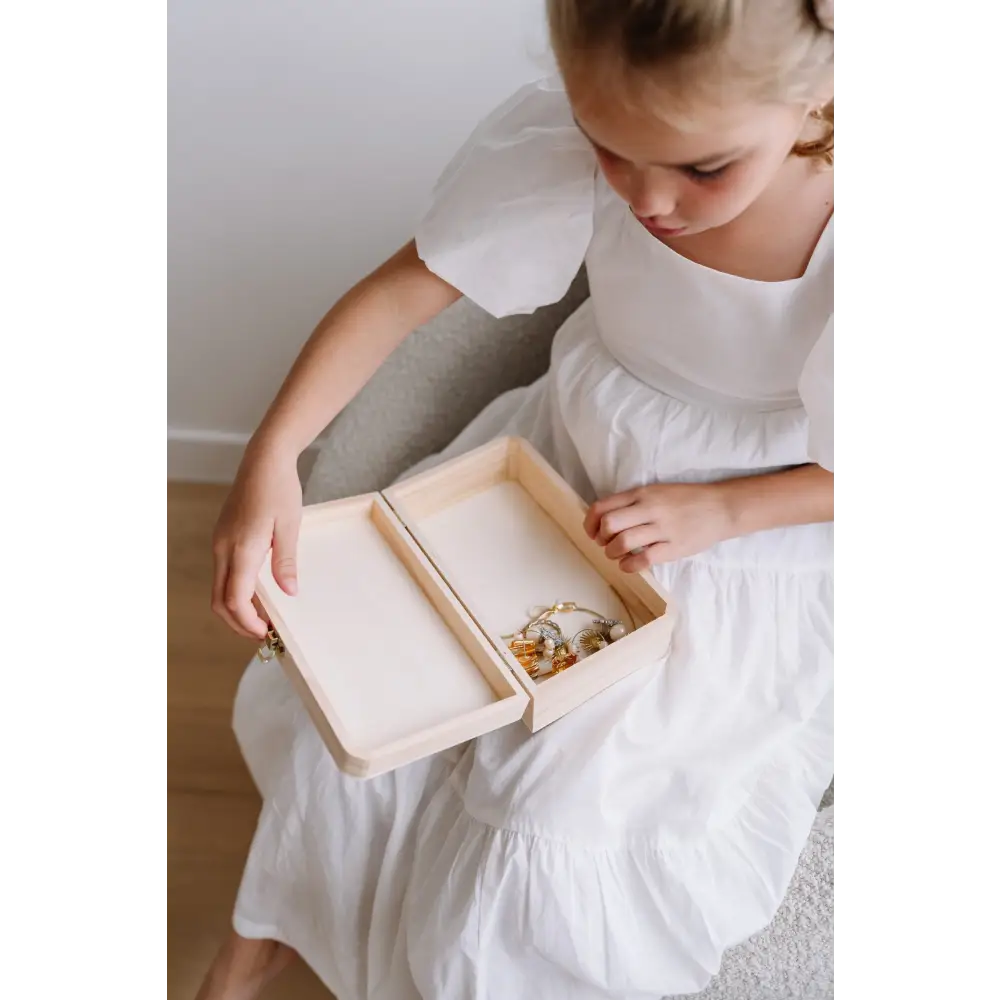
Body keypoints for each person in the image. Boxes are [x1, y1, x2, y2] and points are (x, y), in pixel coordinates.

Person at [197, 1, 839, 997]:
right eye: (608, 150)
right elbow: (402, 291)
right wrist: (271, 455)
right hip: (553, 467)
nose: (647, 201)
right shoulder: (583, 141)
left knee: (545, 825)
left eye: (702, 168)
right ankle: (271, 925)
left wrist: (726, 510)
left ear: (817, 93)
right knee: (364, 724)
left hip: (752, 533)